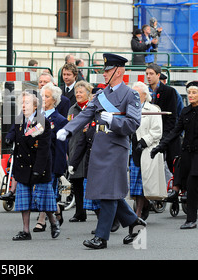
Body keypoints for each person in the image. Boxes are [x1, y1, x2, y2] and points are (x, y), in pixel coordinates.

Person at [57, 53, 146, 249]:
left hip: (116, 148)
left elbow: (133, 124)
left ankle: (101, 237)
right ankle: (134, 222)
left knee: (107, 192)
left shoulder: (130, 95)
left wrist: (114, 120)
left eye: (107, 71)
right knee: (107, 191)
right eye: (104, 71)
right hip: (99, 148)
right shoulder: (100, 95)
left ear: (119, 71)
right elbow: (85, 115)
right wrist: (67, 129)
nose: (104, 74)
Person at [151, 81, 198, 229]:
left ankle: (191, 219)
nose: (191, 95)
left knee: (192, 183)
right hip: (187, 152)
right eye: (189, 93)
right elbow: (175, 131)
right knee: (186, 183)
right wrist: (161, 146)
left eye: (194, 93)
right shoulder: (185, 111)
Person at [11, 90, 60, 241]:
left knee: (43, 200)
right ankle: (25, 231)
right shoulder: (20, 121)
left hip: (39, 166)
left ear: (35, 105)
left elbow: (44, 149)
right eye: (22, 103)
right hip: (23, 165)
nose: (23, 106)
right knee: (24, 200)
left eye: (27, 103)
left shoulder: (42, 122)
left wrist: (39, 170)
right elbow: (16, 141)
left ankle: (53, 222)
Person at [32, 83, 68, 232]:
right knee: (41, 192)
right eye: (42, 96)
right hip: (37, 161)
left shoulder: (60, 120)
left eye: (46, 96)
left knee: (46, 191)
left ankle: (42, 220)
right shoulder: (35, 117)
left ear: (54, 100)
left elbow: (61, 147)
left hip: (51, 162)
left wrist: (59, 168)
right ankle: (57, 211)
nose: (43, 99)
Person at [130, 82, 166, 219]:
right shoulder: (128, 109)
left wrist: (143, 142)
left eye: (136, 94)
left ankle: (138, 212)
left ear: (145, 95)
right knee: (135, 184)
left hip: (145, 150)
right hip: (131, 150)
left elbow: (157, 131)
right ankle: (144, 205)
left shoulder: (153, 110)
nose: (133, 96)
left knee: (142, 183)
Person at [66, 80, 94, 223]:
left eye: (81, 92)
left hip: (88, 150)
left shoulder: (92, 109)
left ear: (88, 95)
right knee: (76, 182)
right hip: (74, 148)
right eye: (76, 92)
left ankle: (96, 209)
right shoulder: (72, 109)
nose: (78, 94)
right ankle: (80, 212)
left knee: (90, 181)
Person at [145, 64, 180, 175]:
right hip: (148, 135)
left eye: (151, 74)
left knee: (171, 167)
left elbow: (172, 116)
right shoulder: (144, 91)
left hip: (166, 135)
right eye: (147, 74)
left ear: (158, 75)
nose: (148, 76)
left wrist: (163, 135)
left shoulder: (170, 91)